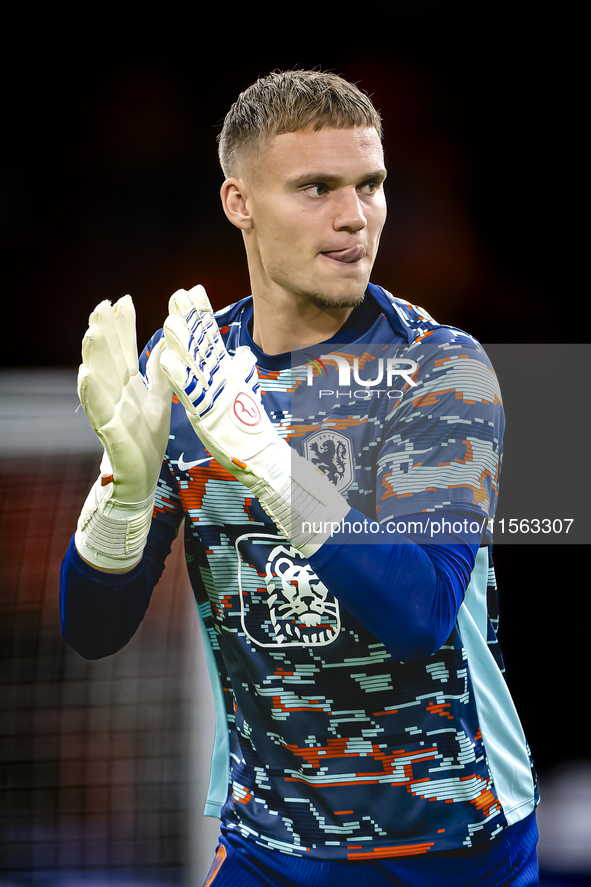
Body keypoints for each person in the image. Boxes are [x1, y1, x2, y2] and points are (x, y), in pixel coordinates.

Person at [60, 70, 540, 886]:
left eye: (370, 185)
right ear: (238, 201)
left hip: (456, 847)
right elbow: (93, 629)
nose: (354, 217)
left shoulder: (442, 367)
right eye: (316, 188)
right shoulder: (183, 364)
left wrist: (268, 457)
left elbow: (418, 612)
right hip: (269, 846)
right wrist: (126, 498)